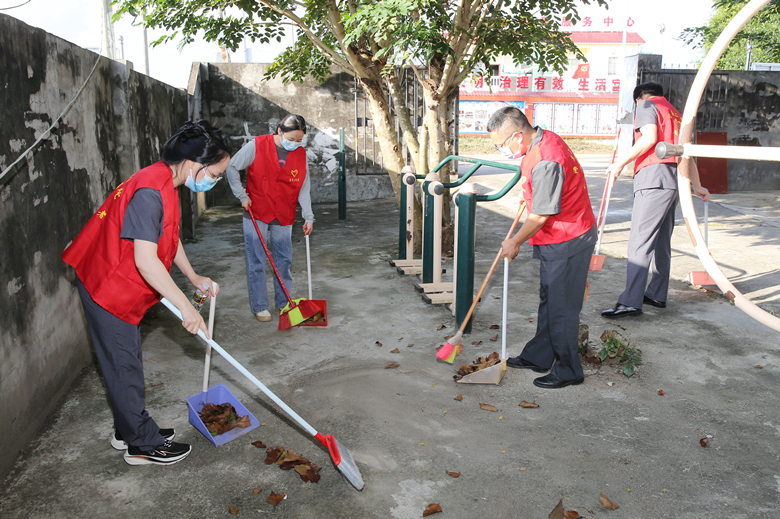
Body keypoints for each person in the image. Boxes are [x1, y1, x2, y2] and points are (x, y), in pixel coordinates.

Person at [62, 120, 232, 465]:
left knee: (125, 359)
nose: (214, 181)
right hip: (106, 284)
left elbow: (168, 236)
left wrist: (193, 275)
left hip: (116, 277)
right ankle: (141, 444)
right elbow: (146, 262)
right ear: (194, 163)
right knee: (123, 365)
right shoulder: (150, 193)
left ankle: (128, 427)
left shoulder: (165, 179)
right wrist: (187, 307)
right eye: (215, 173)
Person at [488, 106, 596, 389]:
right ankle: (539, 355)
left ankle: (569, 370)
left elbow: (541, 215)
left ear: (516, 137)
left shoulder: (547, 158)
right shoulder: (540, 140)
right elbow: (541, 192)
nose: (501, 150)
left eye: (501, 145)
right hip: (558, 235)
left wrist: (514, 241)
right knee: (550, 299)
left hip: (569, 237)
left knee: (563, 307)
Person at [602, 82, 710, 318]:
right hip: (673, 182)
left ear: (638, 99)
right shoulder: (676, 114)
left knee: (640, 241)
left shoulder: (646, 105)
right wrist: (697, 185)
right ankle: (656, 293)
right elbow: (686, 153)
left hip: (653, 179)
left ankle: (630, 301)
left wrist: (620, 162)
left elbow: (649, 138)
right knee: (661, 241)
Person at [226, 114, 315, 322]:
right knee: (256, 258)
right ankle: (259, 306)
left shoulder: (300, 155)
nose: (294, 144)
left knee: (283, 260)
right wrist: (242, 195)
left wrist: (308, 216)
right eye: (291, 139)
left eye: (298, 140)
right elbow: (232, 167)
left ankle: (284, 303)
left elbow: (303, 187)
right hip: (256, 210)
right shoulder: (257, 145)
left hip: (284, 212)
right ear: (279, 131)